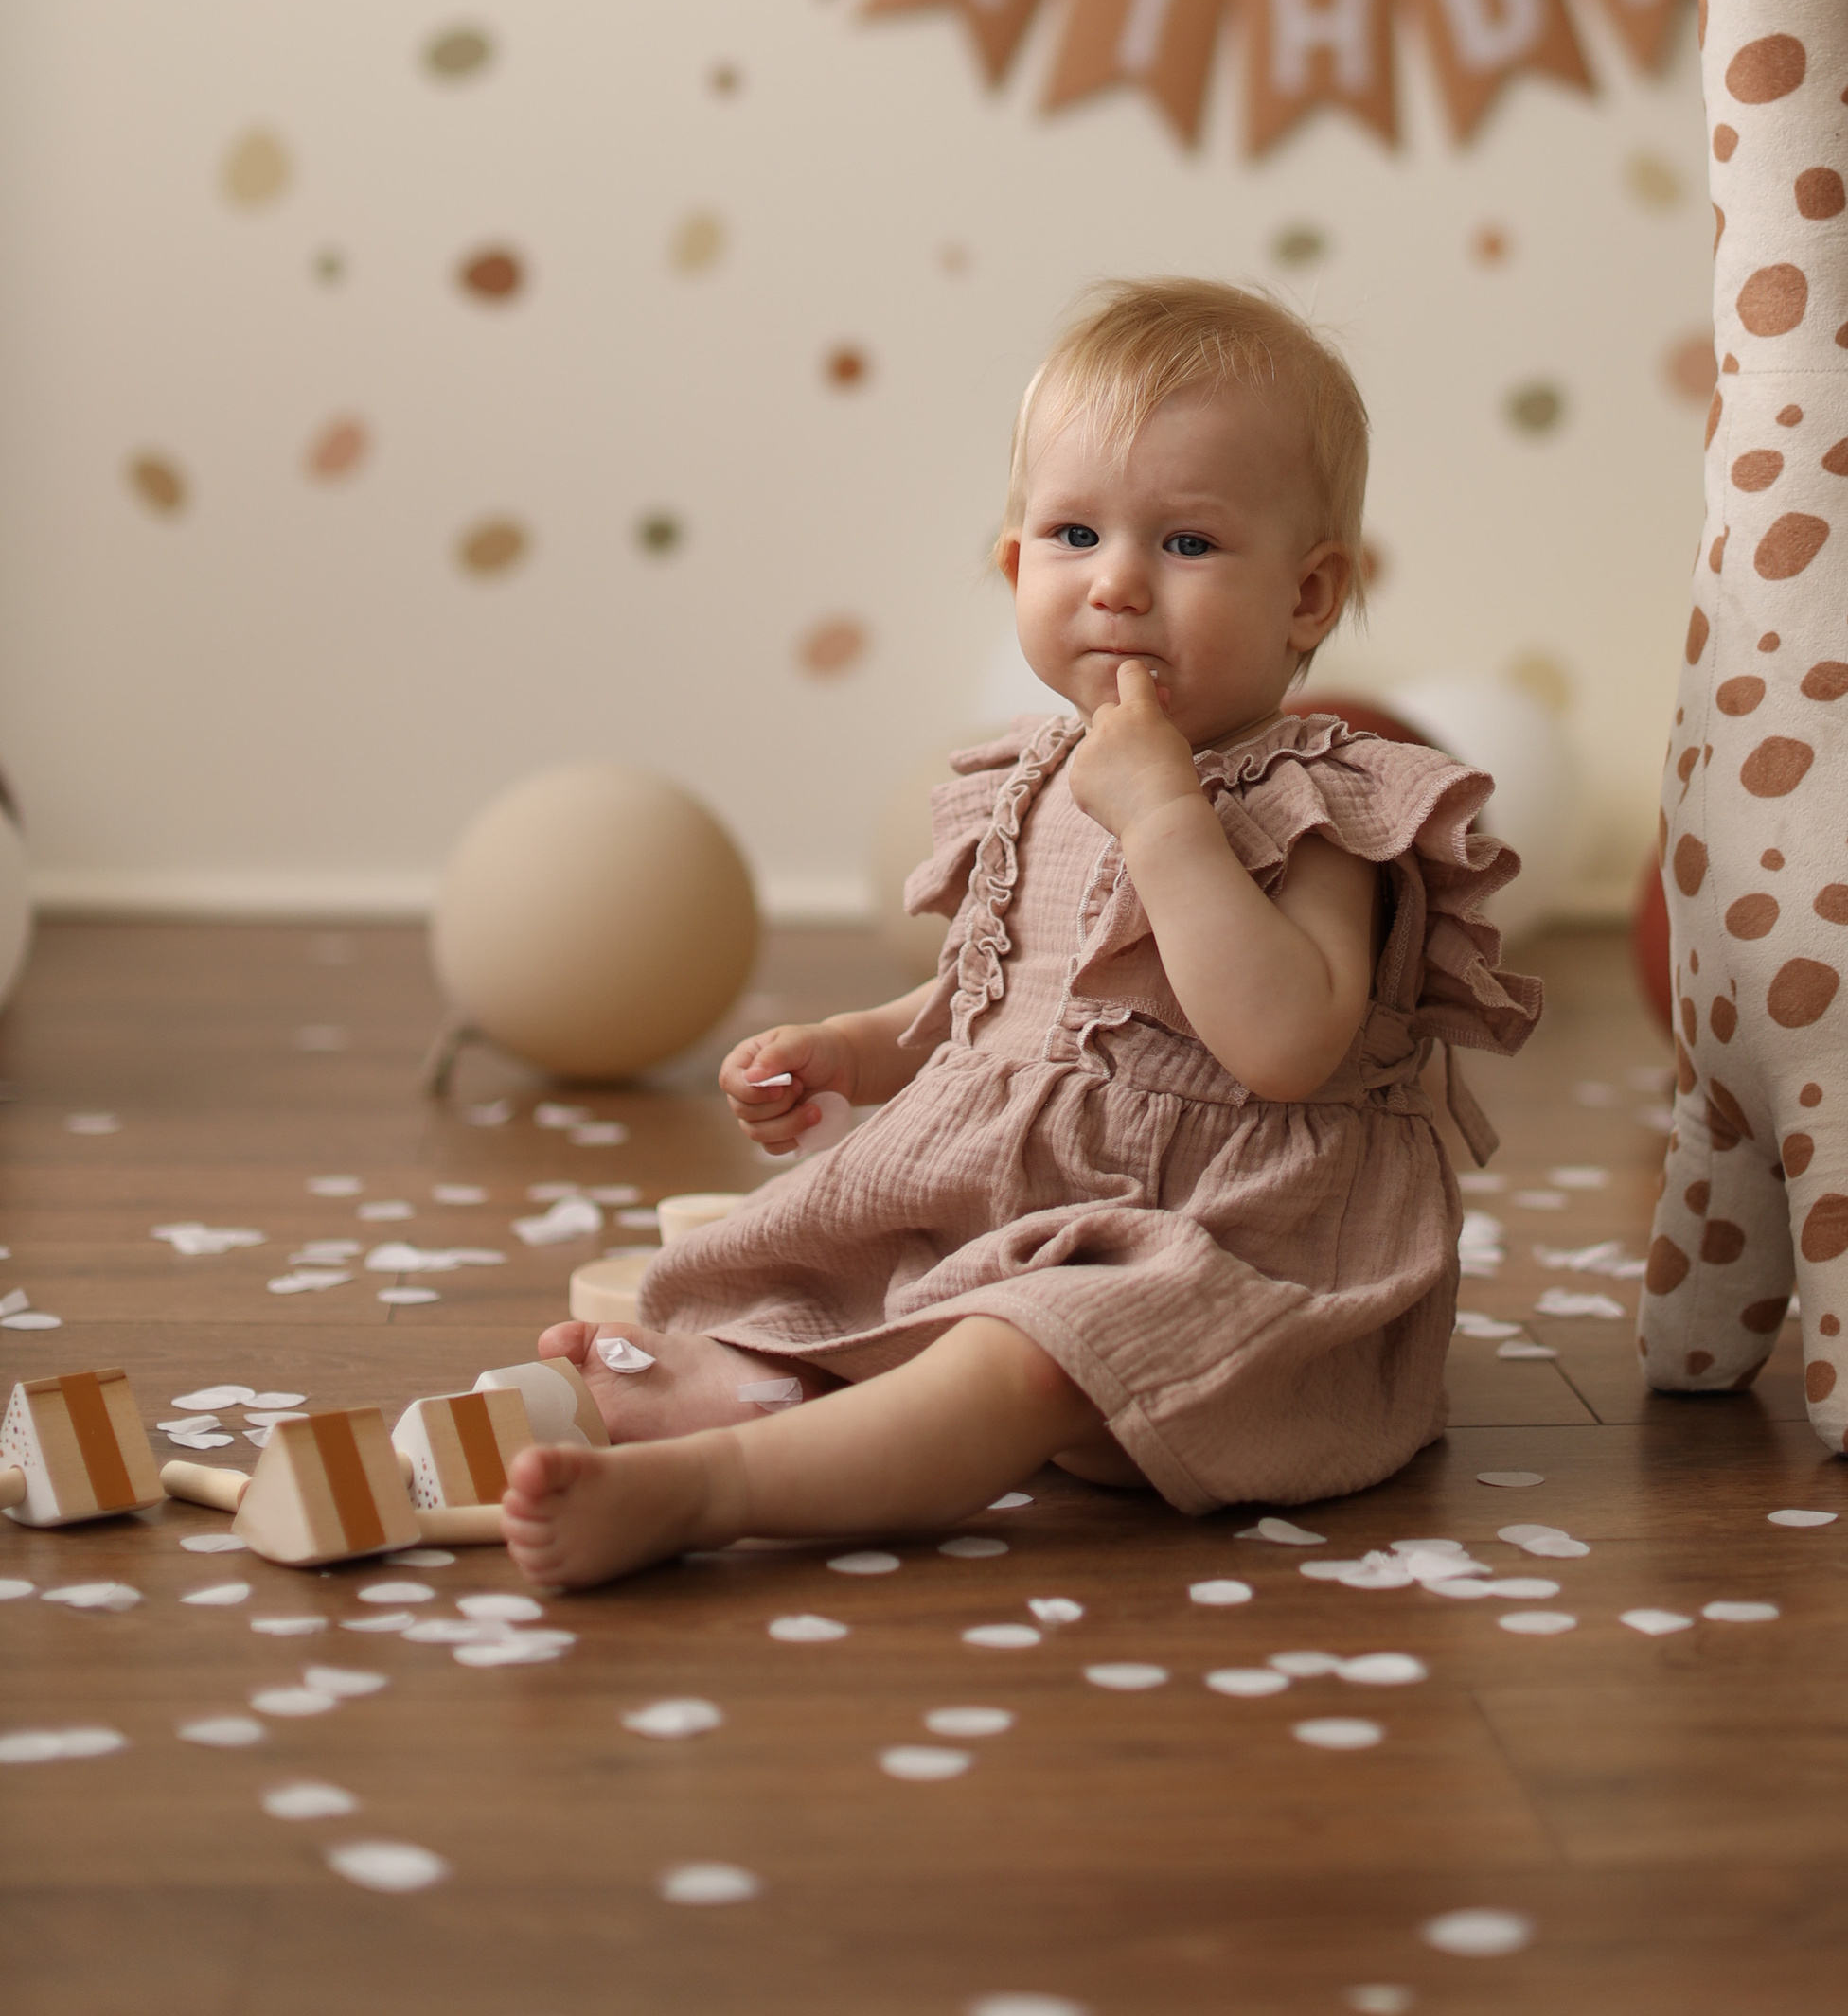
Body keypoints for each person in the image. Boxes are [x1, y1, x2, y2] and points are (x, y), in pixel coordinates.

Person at [500, 276, 1540, 1593]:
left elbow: (1283, 1045)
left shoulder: (1326, 809)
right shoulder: (1029, 779)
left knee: (1028, 1345)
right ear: (1012, 565)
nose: (1116, 584)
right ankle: (768, 1390)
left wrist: (1168, 819)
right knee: (827, 1269)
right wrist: (849, 1051)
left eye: (1188, 545)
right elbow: (981, 1003)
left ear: (1309, 592)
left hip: (1227, 1253)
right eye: (1072, 533)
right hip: (1022, 1204)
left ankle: (715, 1491)